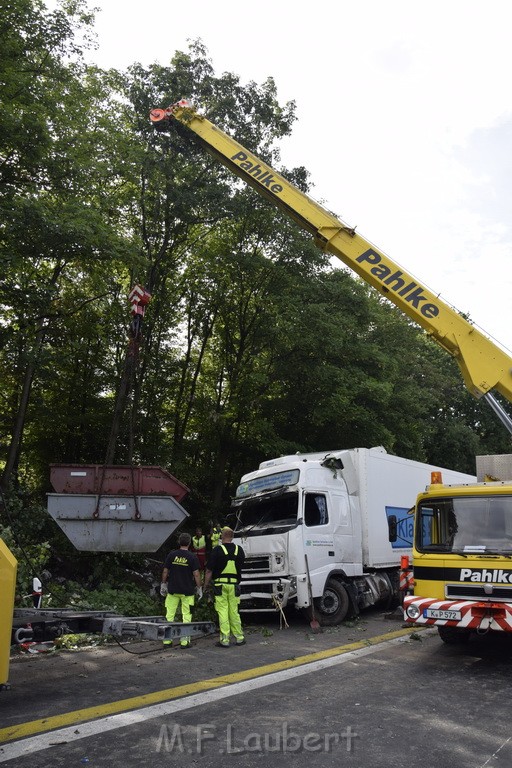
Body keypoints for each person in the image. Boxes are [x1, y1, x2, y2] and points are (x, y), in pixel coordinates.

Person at [204, 527, 245, 648]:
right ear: (232, 537)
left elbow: (209, 571)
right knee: (234, 611)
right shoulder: (239, 550)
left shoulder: (217, 550)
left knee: (222, 611)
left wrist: (205, 585)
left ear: (222, 537)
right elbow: (240, 566)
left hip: (220, 585)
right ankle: (239, 638)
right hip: (234, 585)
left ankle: (225, 639)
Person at [160, 532, 202, 648]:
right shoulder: (192, 557)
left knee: (169, 615)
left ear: (179, 542)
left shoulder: (172, 555)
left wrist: (163, 584)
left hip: (172, 590)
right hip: (188, 592)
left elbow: (165, 571)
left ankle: (167, 641)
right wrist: (199, 588)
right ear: (189, 543)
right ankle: (184, 642)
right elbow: (197, 574)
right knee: (187, 616)